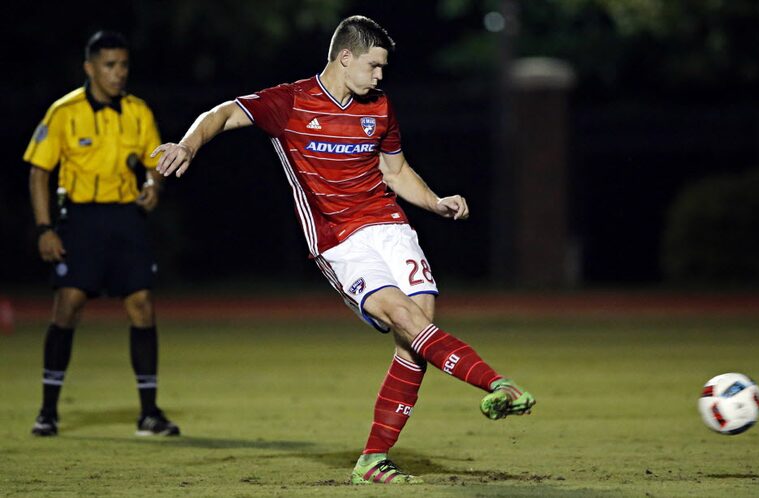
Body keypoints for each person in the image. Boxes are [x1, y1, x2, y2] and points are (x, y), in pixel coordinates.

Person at [153, 15, 533, 483]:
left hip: (390, 226)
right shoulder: (290, 102)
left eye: (383, 69)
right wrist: (190, 146)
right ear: (345, 57)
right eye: (374, 66)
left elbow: (394, 172)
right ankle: (496, 382)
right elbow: (225, 113)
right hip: (340, 240)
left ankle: (373, 459)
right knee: (406, 320)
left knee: (418, 334)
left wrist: (436, 202)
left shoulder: (381, 106)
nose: (380, 77)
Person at [23, 31, 179, 437]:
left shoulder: (138, 111)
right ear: (90, 68)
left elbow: (154, 164)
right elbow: (39, 171)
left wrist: (153, 187)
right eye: (109, 65)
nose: (118, 73)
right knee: (68, 305)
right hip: (81, 219)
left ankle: (149, 414)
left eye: (123, 65)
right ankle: (48, 411)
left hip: (126, 219)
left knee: (142, 304)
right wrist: (44, 229)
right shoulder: (64, 112)